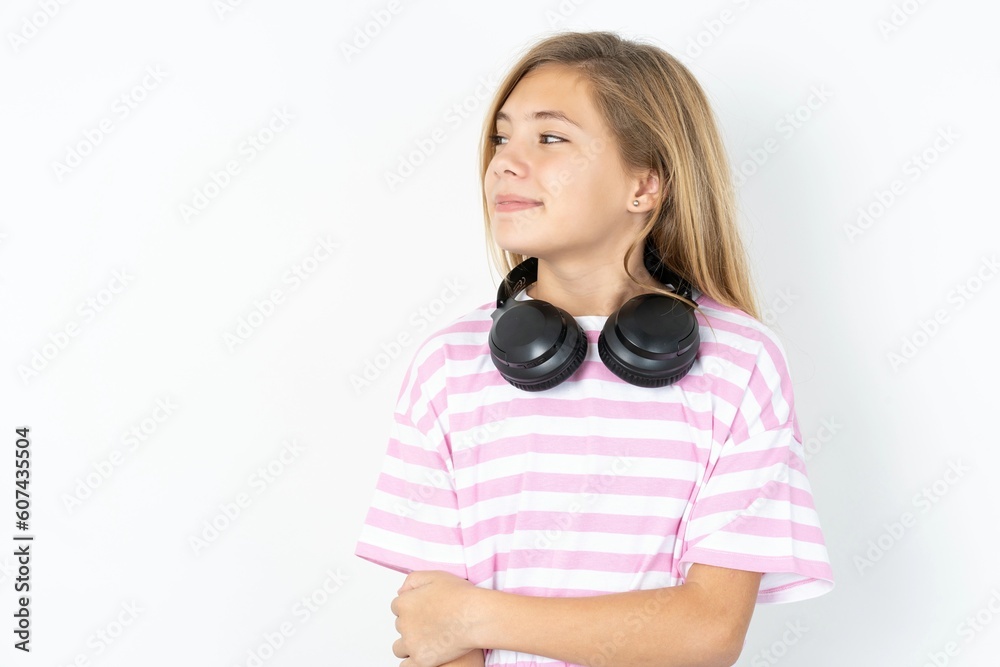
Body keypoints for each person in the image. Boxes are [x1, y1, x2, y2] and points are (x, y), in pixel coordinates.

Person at [354, 30, 834, 667]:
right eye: (502, 137)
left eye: (549, 138)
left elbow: (706, 634)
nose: (504, 162)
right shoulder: (448, 364)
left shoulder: (740, 363)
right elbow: (431, 627)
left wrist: (476, 615)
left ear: (644, 186)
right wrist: (453, 622)